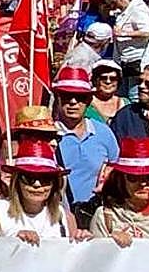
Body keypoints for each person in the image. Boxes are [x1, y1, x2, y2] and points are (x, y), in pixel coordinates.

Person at [50, 69, 119, 214]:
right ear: (58, 98)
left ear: (88, 100)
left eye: (80, 97)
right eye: (66, 96)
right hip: (58, 213)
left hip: (95, 211)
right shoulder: (48, 135)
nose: (73, 102)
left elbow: (115, 167)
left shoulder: (103, 132)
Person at [0, 139, 89, 243]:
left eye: (45, 178)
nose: (37, 184)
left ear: (54, 184)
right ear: (17, 181)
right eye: (29, 178)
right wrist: (15, 239)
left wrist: (82, 239)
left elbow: (71, 251)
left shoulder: (62, 214)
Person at [106, 0, 149, 96]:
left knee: (135, 94)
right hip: (126, 61)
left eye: (114, 3)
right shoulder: (125, 11)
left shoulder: (138, 9)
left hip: (139, 60)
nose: (113, 6)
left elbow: (147, 31)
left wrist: (123, 33)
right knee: (123, 94)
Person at [86, 59, 128, 125]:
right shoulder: (86, 103)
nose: (108, 82)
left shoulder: (126, 103)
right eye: (103, 78)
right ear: (95, 80)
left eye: (113, 79)